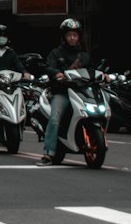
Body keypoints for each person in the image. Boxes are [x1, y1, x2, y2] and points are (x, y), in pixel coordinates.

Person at [39, 17, 92, 165]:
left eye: (75, 35)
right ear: (64, 37)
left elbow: (93, 70)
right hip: (63, 93)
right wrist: (56, 73)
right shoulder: (56, 53)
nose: (72, 38)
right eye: (69, 35)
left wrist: (105, 75)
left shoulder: (84, 56)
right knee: (55, 118)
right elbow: (48, 66)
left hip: (82, 93)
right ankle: (48, 153)